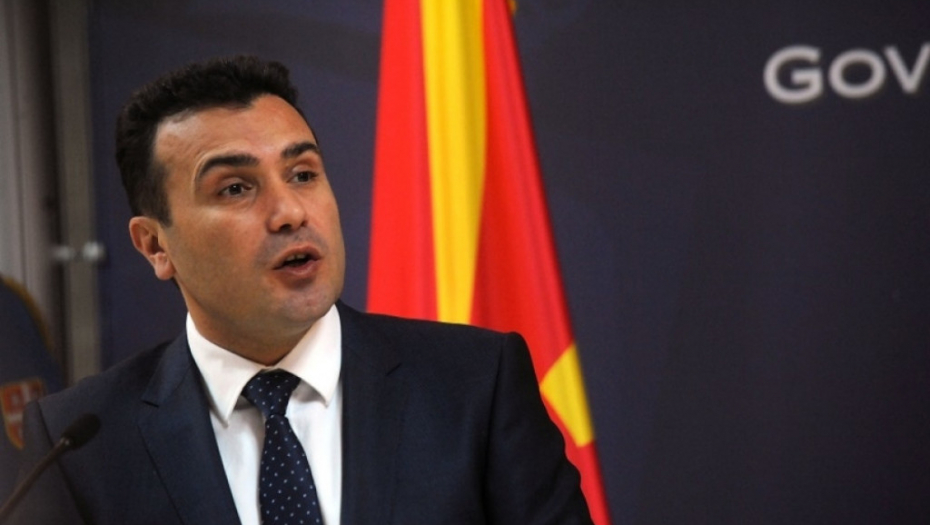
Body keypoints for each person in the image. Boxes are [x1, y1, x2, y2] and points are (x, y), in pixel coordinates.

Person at [10, 56, 592, 524]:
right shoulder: (80, 445)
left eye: (303, 174)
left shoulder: (475, 386)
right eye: (235, 188)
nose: (290, 211)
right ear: (155, 246)